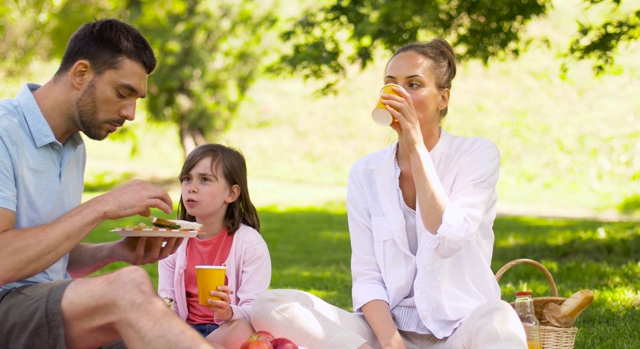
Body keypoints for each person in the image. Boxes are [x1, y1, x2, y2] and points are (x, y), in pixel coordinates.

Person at [250, 38, 528, 348]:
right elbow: (368, 276)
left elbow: (447, 235)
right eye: (390, 83)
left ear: (442, 98)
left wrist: (414, 145)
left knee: (501, 318)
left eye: (414, 84)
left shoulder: (476, 155)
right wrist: (390, 341)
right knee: (269, 305)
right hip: (387, 334)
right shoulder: (365, 173)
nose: (399, 94)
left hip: (457, 332)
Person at [0, 19, 218, 348]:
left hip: (41, 304)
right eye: (122, 93)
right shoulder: (5, 132)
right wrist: (103, 206)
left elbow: (50, 254)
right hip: (8, 306)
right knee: (127, 289)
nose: (130, 113)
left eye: (136, 99)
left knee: (155, 324)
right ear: (81, 74)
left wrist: (114, 251)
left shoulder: (74, 148)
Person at [159, 143, 271, 348]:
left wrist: (229, 312)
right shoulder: (173, 242)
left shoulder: (250, 244)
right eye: (187, 179)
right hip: (185, 330)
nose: (191, 187)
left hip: (227, 329)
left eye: (204, 179)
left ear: (232, 193)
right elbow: (168, 301)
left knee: (242, 330)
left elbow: (254, 308)